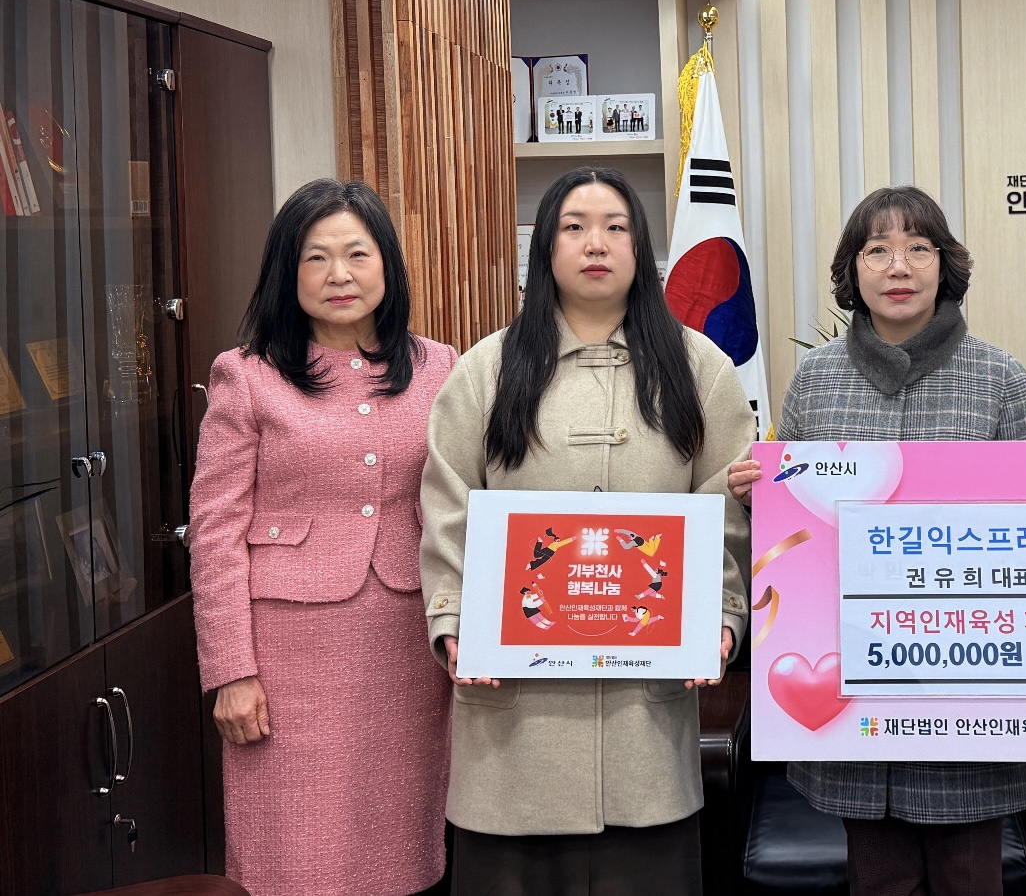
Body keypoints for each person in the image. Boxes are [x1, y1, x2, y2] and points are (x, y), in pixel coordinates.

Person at [419, 165, 753, 895]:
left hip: (644, 731)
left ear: (641, 248)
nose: (595, 243)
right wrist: (454, 625)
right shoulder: (484, 371)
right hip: (511, 738)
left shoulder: (701, 369)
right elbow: (447, 509)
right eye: (574, 227)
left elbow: (725, 515)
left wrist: (720, 619)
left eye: (615, 227)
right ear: (545, 248)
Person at [729, 185, 1026, 896]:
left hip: (972, 680)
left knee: (971, 878)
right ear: (853, 269)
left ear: (945, 265)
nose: (898, 266)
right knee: (878, 878)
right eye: (877, 250)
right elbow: (794, 530)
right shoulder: (815, 379)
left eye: (918, 248)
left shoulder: (1000, 378)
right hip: (852, 679)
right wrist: (760, 496)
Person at [187, 179, 457, 896]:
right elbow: (214, 532)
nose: (340, 274)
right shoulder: (247, 376)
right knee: (294, 856)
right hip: (284, 659)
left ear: (387, 264)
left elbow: (470, 497)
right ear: (289, 270)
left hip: (407, 645)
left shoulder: (441, 368)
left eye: (357, 254)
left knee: (401, 851)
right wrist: (230, 671)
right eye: (316, 257)